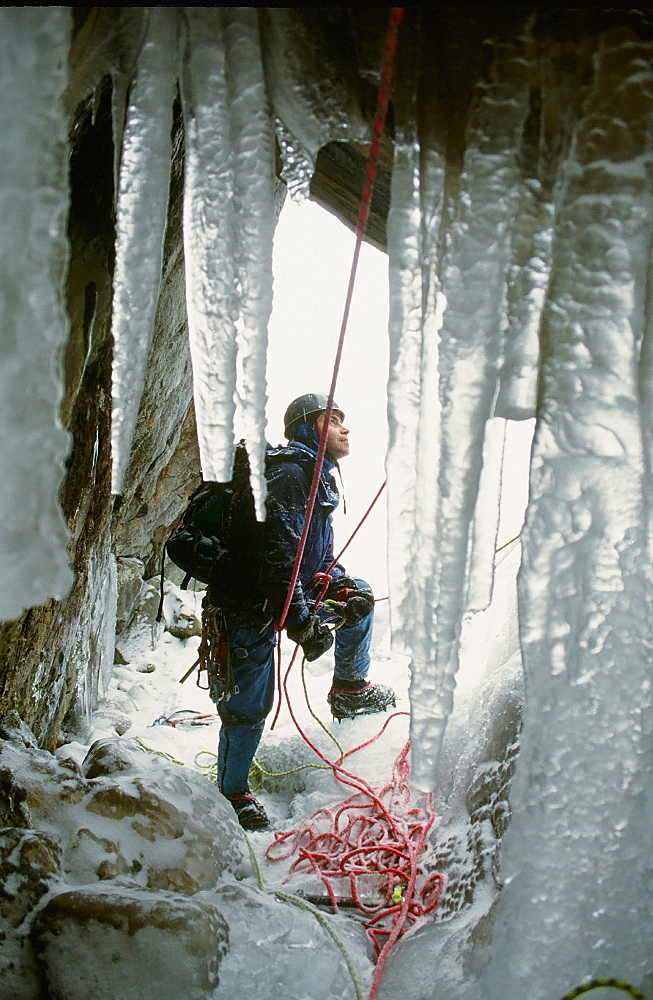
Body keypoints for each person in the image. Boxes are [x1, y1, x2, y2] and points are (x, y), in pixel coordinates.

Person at [202, 392, 395, 831]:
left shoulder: (316, 475)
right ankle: (232, 792)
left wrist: (338, 581)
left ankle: (349, 689)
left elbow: (312, 554)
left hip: (286, 591)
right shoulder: (290, 474)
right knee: (250, 704)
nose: (345, 428)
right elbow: (276, 561)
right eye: (333, 420)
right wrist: (304, 625)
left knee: (359, 596)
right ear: (309, 428)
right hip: (246, 602)